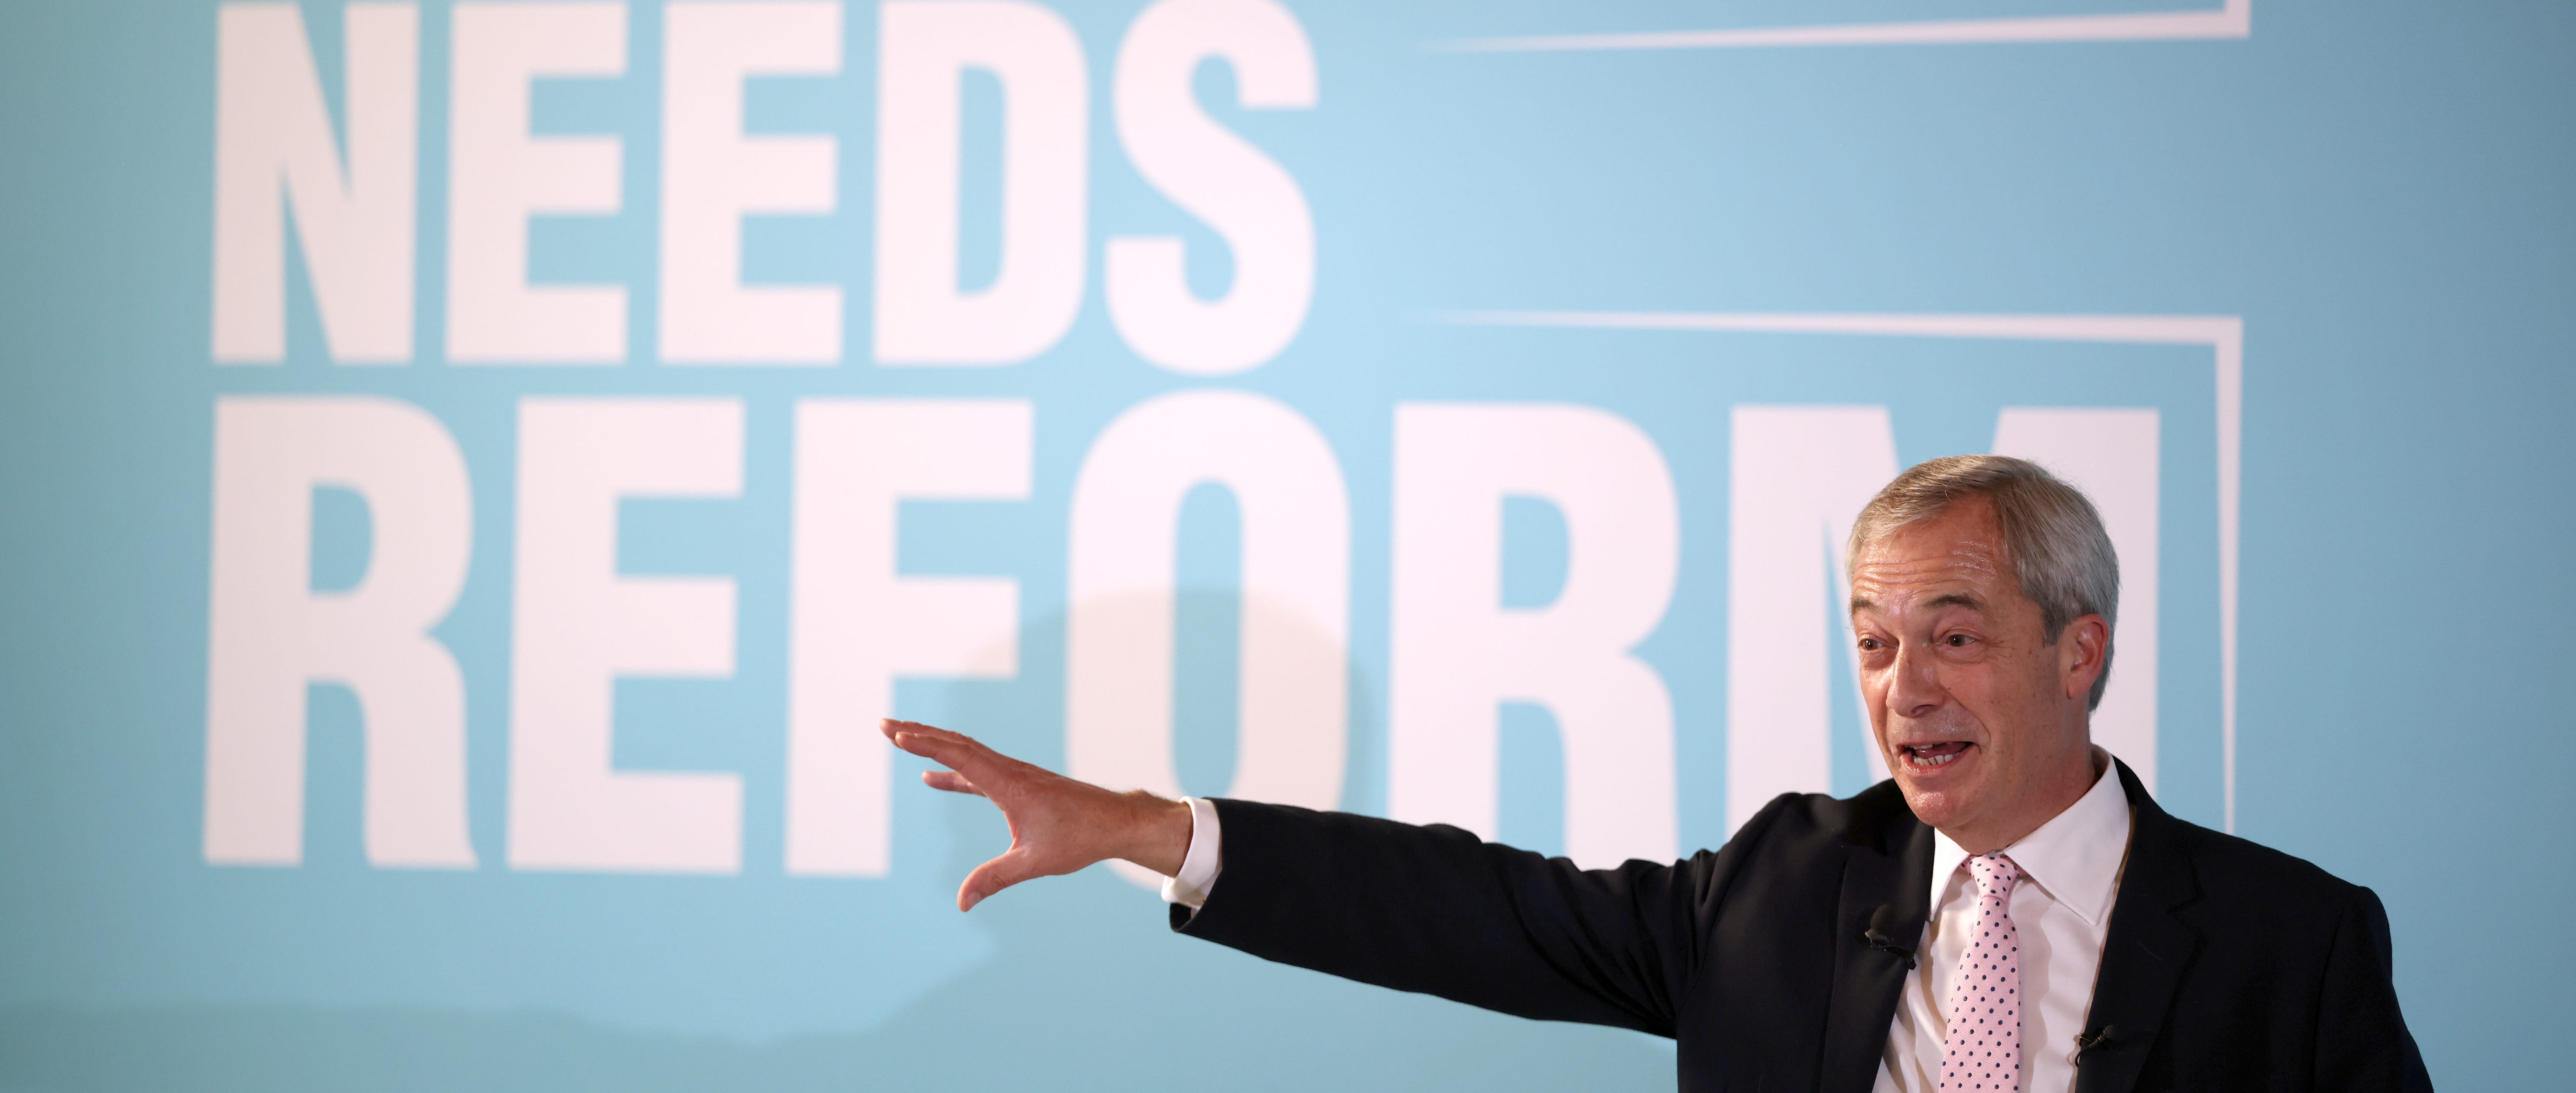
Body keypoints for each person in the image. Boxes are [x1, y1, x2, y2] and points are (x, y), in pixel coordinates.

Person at [882, 455, 2432, 1092]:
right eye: (1875, 644)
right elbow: (1472, 910)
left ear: (2078, 652)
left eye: (1955, 639)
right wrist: (1148, 828)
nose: (1906, 691)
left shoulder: (2291, 944)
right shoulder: (1791, 885)